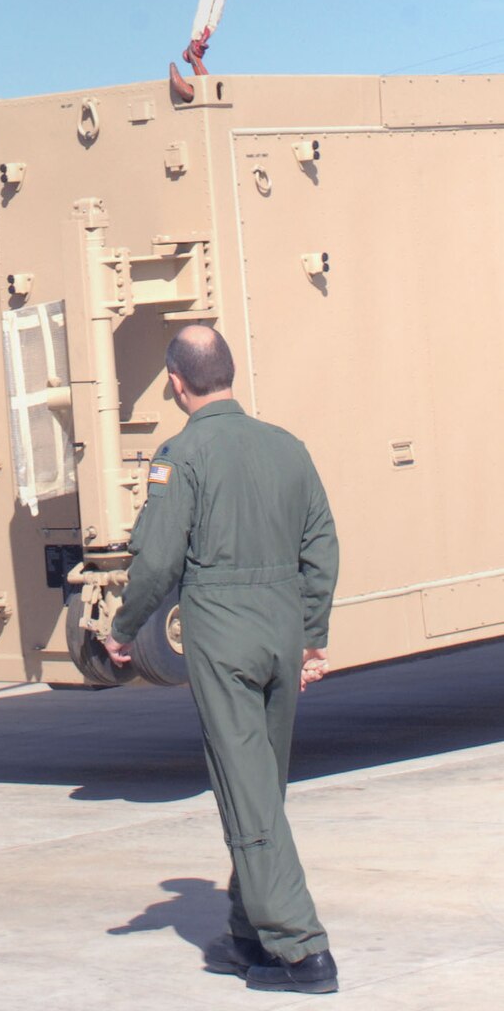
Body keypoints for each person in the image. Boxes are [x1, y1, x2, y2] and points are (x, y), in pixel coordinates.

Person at [103, 324, 340, 996]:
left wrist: (123, 627)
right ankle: (248, 929)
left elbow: (156, 559)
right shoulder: (285, 447)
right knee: (260, 782)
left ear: (176, 383)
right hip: (280, 626)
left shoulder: (181, 455)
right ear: (227, 373)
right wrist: (312, 633)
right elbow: (320, 544)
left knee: (244, 787)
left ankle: (299, 949)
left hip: (222, 632)